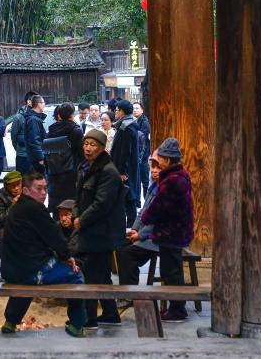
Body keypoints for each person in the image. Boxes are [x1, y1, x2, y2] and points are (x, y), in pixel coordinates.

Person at [0, 172, 87, 338]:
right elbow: (55, 238)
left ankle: (10, 321)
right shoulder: (36, 209)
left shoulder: (16, 208)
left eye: (45, 188)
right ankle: (77, 324)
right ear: (25, 191)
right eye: (38, 189)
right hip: (30, 271)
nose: (43, 192)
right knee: (76, 276)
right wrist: (67, 257)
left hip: (12, 270)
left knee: (26, 284)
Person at [138, 138, 194, 323]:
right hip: (174, 231)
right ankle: (175, 307)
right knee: (172, 270)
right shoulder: (176, 177)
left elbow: (159, 206)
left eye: (161, 158)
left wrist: (145, 220)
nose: (158, 161)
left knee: (172, 272)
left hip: (172, 232)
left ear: (168, 160)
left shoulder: (173, 180)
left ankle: (178, 310)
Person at [74, 127, 126, 329]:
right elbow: (79, 196)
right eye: (86, 144)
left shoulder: (108, 171)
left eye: (93, 145)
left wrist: (82, 220)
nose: (88, 148)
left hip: (101, 232)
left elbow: (101, 204)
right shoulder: (85, 167)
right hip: (89, 228)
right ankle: (111, 314)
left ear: (103, 148)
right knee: (102, 275)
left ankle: (89, 319)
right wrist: (77, 213)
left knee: (91, 275)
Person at [115, 151, 162, 287]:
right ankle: (125, 289)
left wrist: (140, 235)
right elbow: (142, 212)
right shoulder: (153, 186)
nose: (154, 171)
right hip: (145, 234)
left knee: (127, 254)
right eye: (152, 167)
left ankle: (130, 293)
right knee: (120, 246)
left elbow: (156, 219)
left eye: (158, 167)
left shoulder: (163, 189)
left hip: (155, 238)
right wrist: (134, 229)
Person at [44, 102, 84, 219]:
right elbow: (81, 154)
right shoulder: (76, 130)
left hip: (54, 172)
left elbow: (47, 153)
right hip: (71, 173)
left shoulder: (51, 130)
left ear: (59, 115)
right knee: (72, 205)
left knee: (57, 207)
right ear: (72, 114)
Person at [110, 100, 140, 226]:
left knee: (128, 197)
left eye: (117, 110)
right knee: (128, 197)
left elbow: (124, 152)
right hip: (127, 169)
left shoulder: (126, 127)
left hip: (125, 171)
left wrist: (122, 171)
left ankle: (130, 227)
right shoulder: (126, 125)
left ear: (121, 111)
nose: (115, 113)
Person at [9, 91, 38, 174]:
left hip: (36, 156)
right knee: (23, 182)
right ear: (29, 102)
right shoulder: (19, 117)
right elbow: (13, 137)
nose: (39, 103)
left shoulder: (39, 116)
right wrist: (20, 149)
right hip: (23, 156)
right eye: (36, 101)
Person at [0, 171, 21, 238]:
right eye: (13, 186)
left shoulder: (27, 192)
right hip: (6, 226)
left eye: (18, 184)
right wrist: (13, 205)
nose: (16, 188)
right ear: (6, 186)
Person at [23, 94, 48, 175]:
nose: (45, 104)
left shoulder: (35, 118)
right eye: (43, 102)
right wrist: (40, 158)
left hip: (35, 157)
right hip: (36, 159)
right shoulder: (33, 119)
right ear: (38, 104)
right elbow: (34, 140)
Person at [132, 102, 151, 198]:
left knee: (145, 180)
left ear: (142, 110)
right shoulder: (135, 121)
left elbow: (141, 138)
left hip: (143, 155)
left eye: (137, 108)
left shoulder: (145, 122)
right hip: (138, 154)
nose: (134, 110)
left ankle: (146, 200)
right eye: (133, 108)